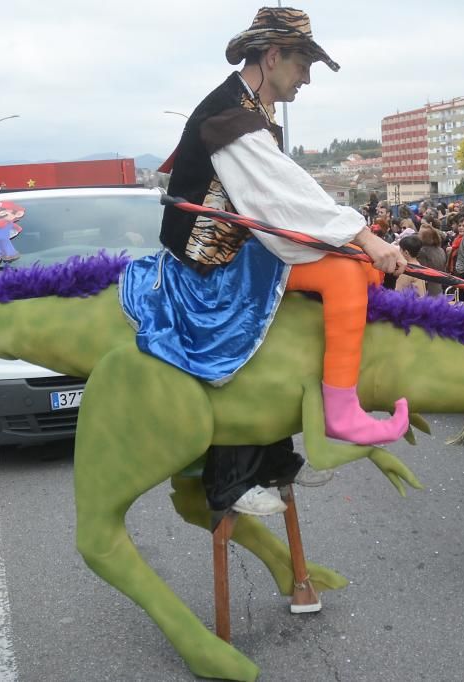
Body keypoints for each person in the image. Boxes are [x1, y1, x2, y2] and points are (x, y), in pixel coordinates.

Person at [140, 7, 409, 516]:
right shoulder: (231, 118)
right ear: (272, 55)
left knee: (356, 268)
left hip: (237, 249)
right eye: (303, 63)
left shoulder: (249, 113)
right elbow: (289, 197)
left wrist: (361, 243)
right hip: (211, 264)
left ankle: (277, 456)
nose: (307, 77)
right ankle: (334, 414)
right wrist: (365, 238)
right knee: (347, 272)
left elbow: (284, 201)